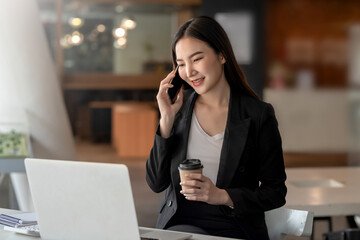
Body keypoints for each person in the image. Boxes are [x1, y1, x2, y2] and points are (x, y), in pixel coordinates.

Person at [146, 16, 287, 240]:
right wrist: (166, 119)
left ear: (222, 55)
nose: (189, 71)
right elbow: (156, 182)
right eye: (181, 64)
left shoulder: (258, 114)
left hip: (234, 229)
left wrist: (222, 196)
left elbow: (275, 193)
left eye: (197, 59)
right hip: (179, 227)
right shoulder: (178, 111)